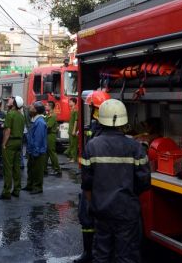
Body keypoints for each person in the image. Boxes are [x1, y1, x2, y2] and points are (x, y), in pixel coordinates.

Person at [80, 99, 151, 263]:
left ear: (101, 118)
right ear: (123, 120)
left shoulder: (91, 146)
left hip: (102, 211)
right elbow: (144, 182)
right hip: (127, 212)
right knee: (126, 256)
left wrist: (96, 205)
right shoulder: (135, 147)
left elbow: (86, 184)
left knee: (102, 255)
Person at [74, 90, 111, 263]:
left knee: (88, 216)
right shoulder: (102, 126)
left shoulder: (99, 127)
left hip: (95, 183)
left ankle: (90, 254)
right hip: (101, 182)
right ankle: (90, 253)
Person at [0, 96, 25, 200]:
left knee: (7, 168)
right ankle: (16, 190)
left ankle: (6, 192)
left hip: (11, 143)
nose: (9, 100)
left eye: (12, 100)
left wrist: (3, 143)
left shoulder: (10, 114)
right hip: (19, 142)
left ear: (14, 104)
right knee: (16, 167)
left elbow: (7, 131)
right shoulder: (20, 115)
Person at [23, 101, 48, 194]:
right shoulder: (35, 120)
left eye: (32, 108)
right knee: (31, 169)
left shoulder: (40, 122)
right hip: (32, 150)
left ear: (36, 111)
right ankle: (30, 185)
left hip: (38, 151)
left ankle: (37, 187)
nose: (30, 109)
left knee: (37, 170)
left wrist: (36, 152)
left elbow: (38, 139)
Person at [44, 101, 62, 176]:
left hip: (51, 135)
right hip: (47, 135)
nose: (45, 106)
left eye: (46, 105)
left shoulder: (53, 115)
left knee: (51, 152)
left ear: (50, 107)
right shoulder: (48, 115)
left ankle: (57, 169)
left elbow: (48, 126)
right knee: (46, 153)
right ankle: (44, 169)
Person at [66, 97, 79, 163]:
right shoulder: (72, 110)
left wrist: (74, 130)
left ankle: (74, 158)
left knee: (74, 145)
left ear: (74, 103)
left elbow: (76, 121)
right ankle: (71, 156)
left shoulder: (76, 110)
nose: (69, 103)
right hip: (70, 130)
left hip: (73, 130)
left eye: (70, 102)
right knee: (71, 144)